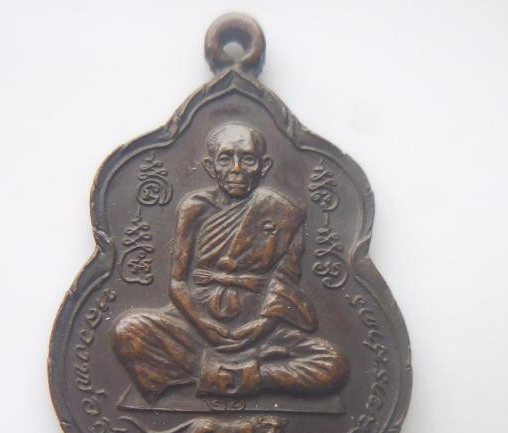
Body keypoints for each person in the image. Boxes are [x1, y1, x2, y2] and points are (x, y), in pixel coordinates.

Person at [111, 122, 349, 404]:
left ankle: (213, 376)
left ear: (263, 166)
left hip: (259, 332)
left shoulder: (284, 212)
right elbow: (177, 282)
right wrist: (204, 325)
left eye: (247, 159)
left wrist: (260, 327)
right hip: (194, 326)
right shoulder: (195, 207)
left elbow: (284, 284)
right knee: (128, 331)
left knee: (333, 363)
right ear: (210, 167)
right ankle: (238, 376)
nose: (237, 169)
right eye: (226, 159)